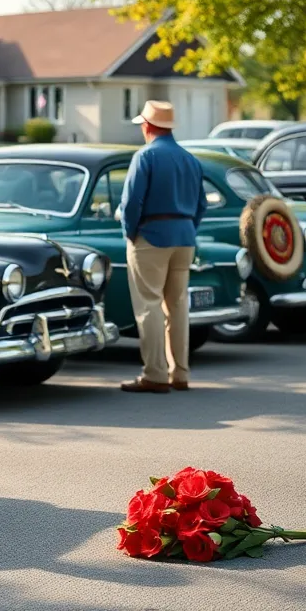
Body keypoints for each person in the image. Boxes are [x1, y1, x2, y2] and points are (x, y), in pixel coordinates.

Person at [118, 100, 207, 393]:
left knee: (150, 304)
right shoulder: (190, 159)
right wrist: (189, 229)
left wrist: (130, 233)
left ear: (147, 126)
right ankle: (179, 372)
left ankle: (155, 374)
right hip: (185, 236)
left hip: (151, 235)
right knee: (178, 306)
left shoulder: (145, 156)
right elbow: (202, 204)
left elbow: (131, 202)